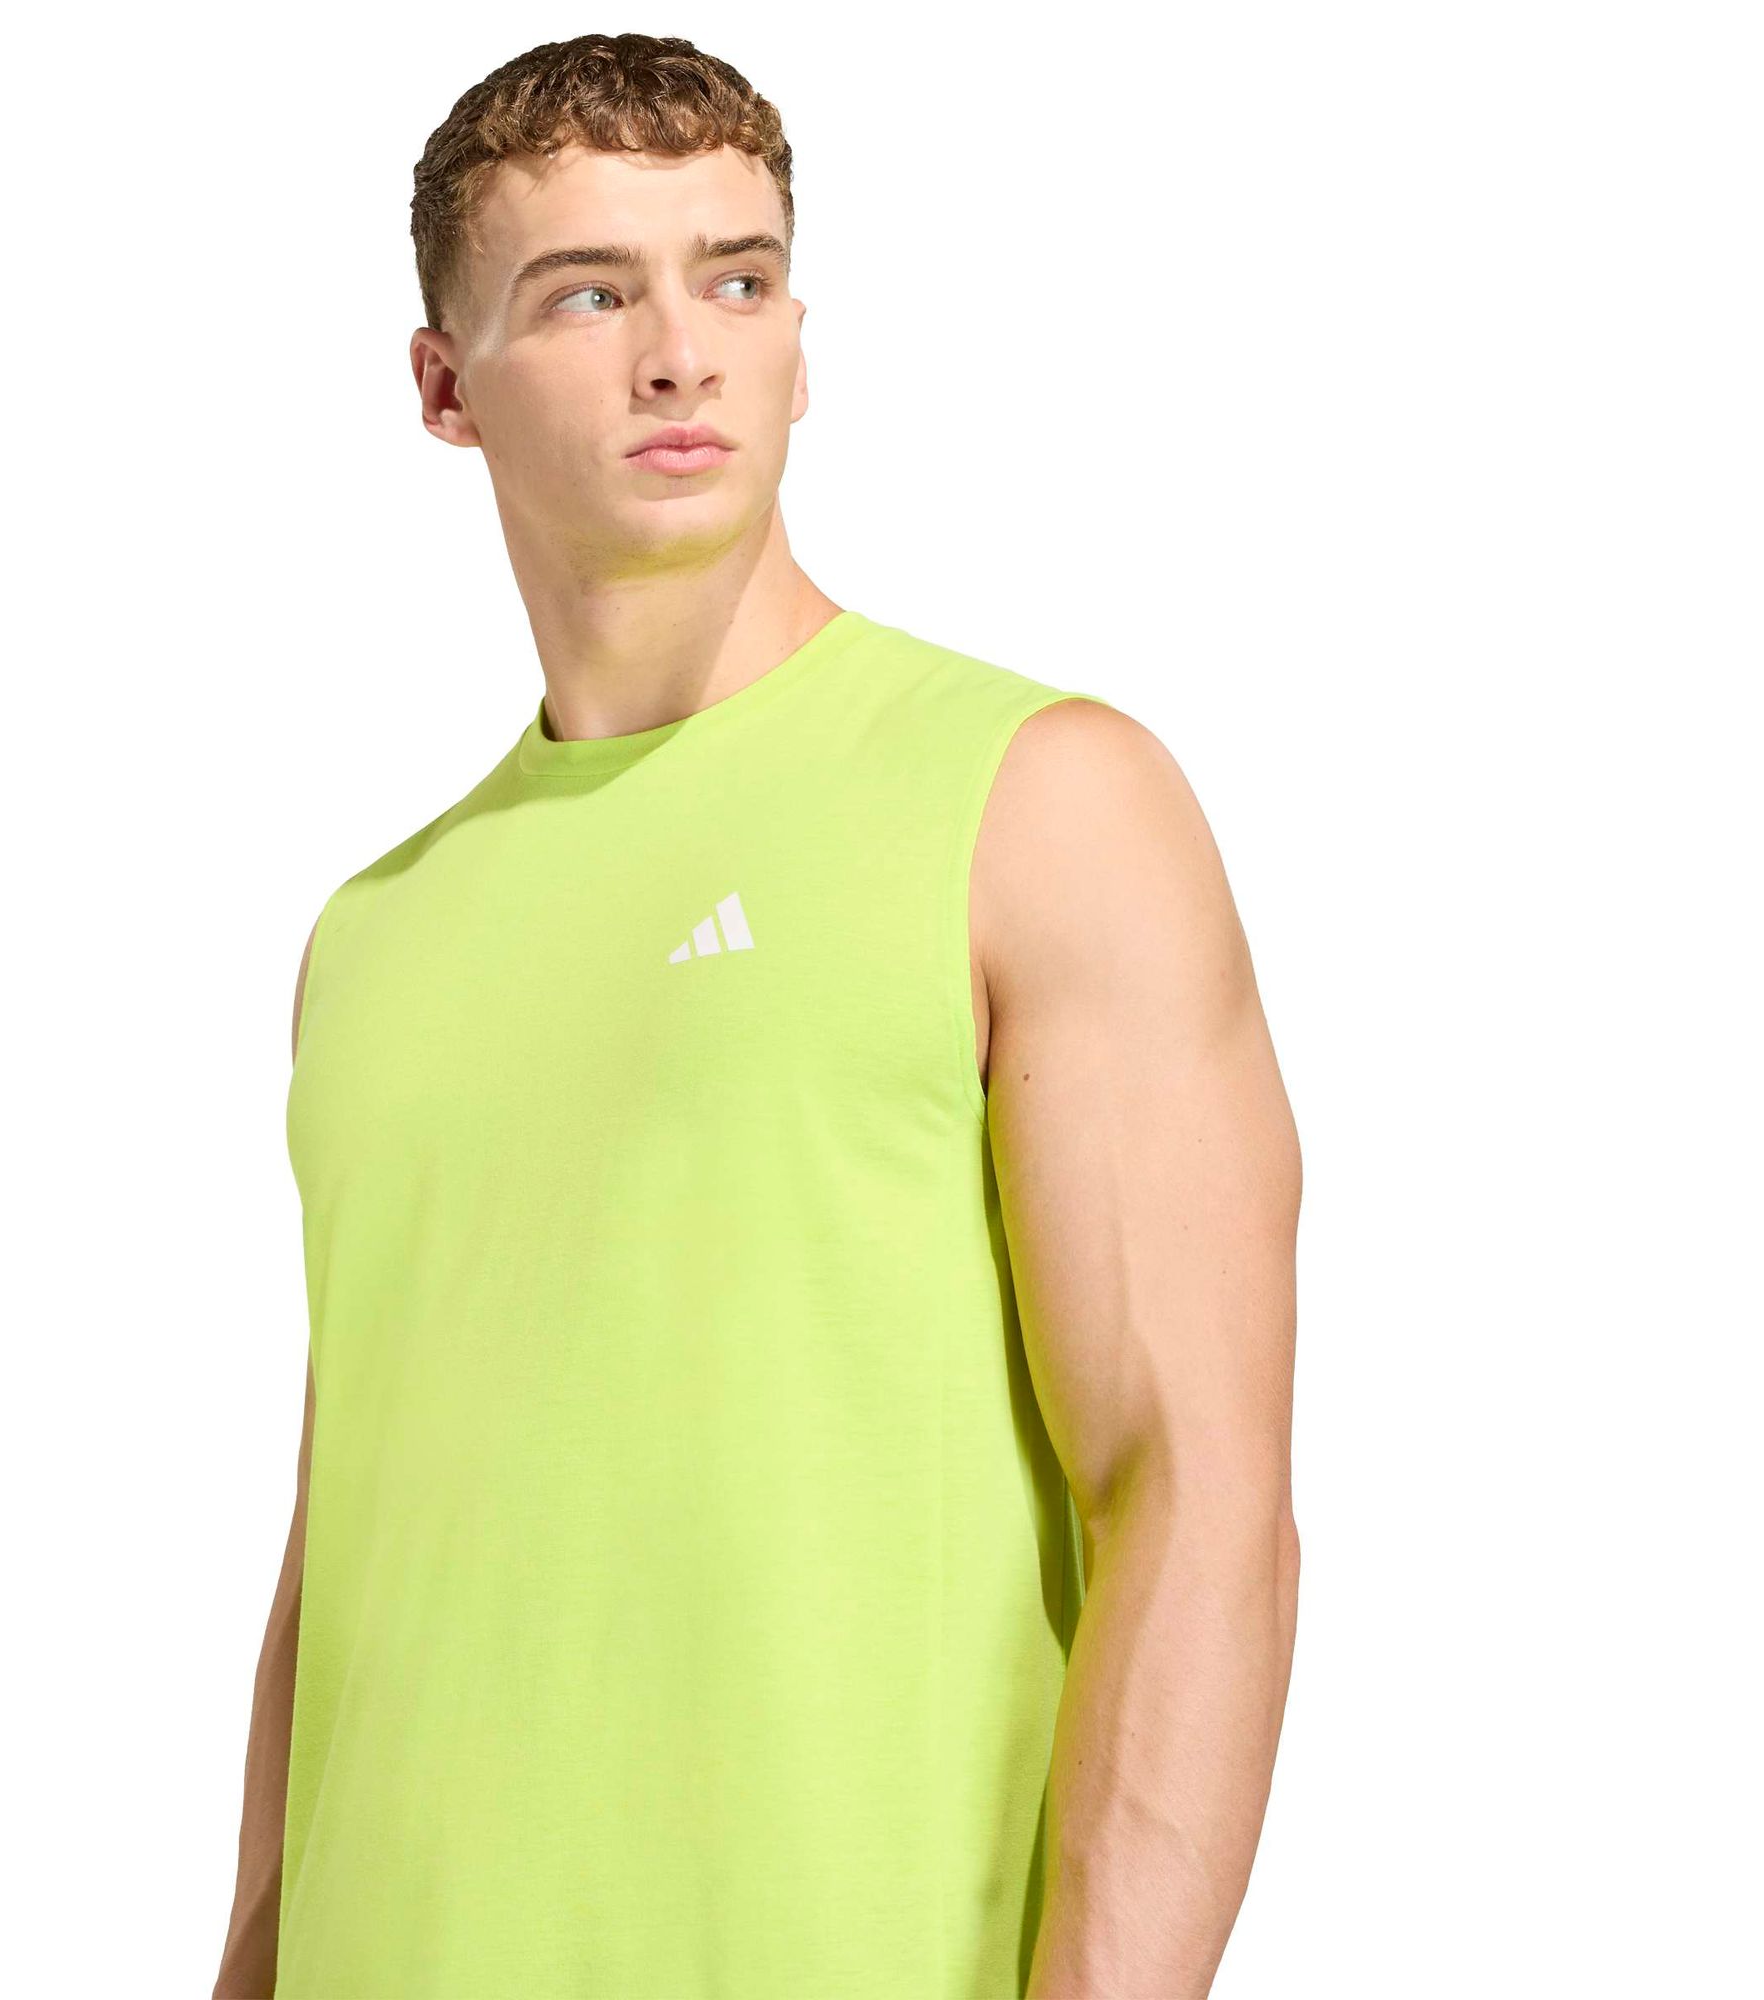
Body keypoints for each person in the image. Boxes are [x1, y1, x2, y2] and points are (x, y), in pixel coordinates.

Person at [213, 32, 1300, 2000]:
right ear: (444, 387)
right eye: (588, 294)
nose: (679, 355)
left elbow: (1194, 1492)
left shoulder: (1038, 802)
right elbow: (346, 1558)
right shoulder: (370, 936)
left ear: (800, 343)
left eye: (735, 278)